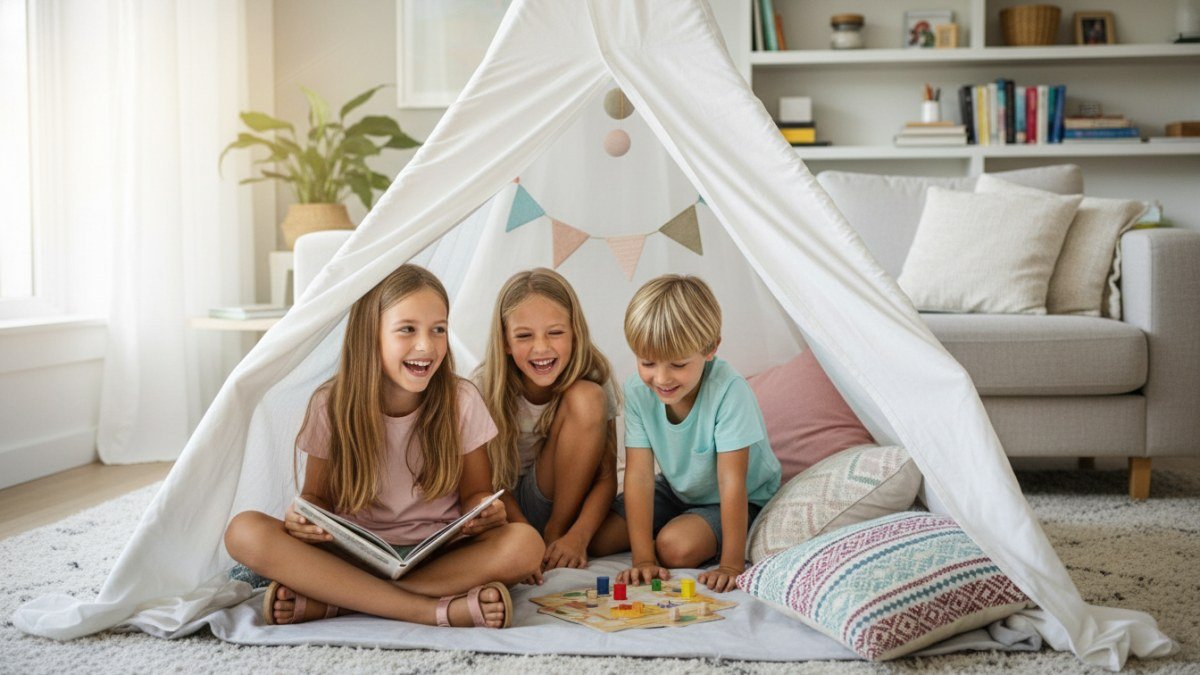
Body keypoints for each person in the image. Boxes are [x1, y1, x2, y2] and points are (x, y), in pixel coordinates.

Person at [224, 264, 543, 627]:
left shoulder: (462, 399)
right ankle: (428, 610)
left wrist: (485, 512)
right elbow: (318, 499)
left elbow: (476, 492)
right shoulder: (331, 404)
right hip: (354, 555)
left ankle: (342, 601)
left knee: (526, 544)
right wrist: (303, 516)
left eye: (438, 330)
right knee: (244, 530)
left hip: (440, 555)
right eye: (407, 329)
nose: (426, 345)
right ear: (370, 335)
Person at [591, 274, 781, 592]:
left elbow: (731, 482)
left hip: (739, 498)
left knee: (674, 548)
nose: (661, 378)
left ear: (710, 349)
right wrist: (642, 559)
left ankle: (693, 527)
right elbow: (638, 475)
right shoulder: (638, 391)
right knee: (599, 540)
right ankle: (680, 523)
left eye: (678, 364)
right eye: (648, 362)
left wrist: (732, 565)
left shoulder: (729, 391)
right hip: (679, 490)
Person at [475, 268, 619, 583]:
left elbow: (607, 476)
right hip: (510, 512)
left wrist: (577, 537)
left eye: (555, 332)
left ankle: (558, 534)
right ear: (506, 342)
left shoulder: (595, 374)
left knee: (647, 526)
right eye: (525, 336)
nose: (541, 348)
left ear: (575, 333)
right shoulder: (483, 387)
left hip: (568, 502)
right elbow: (490, 485)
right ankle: (547, 540)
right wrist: (527, 537)